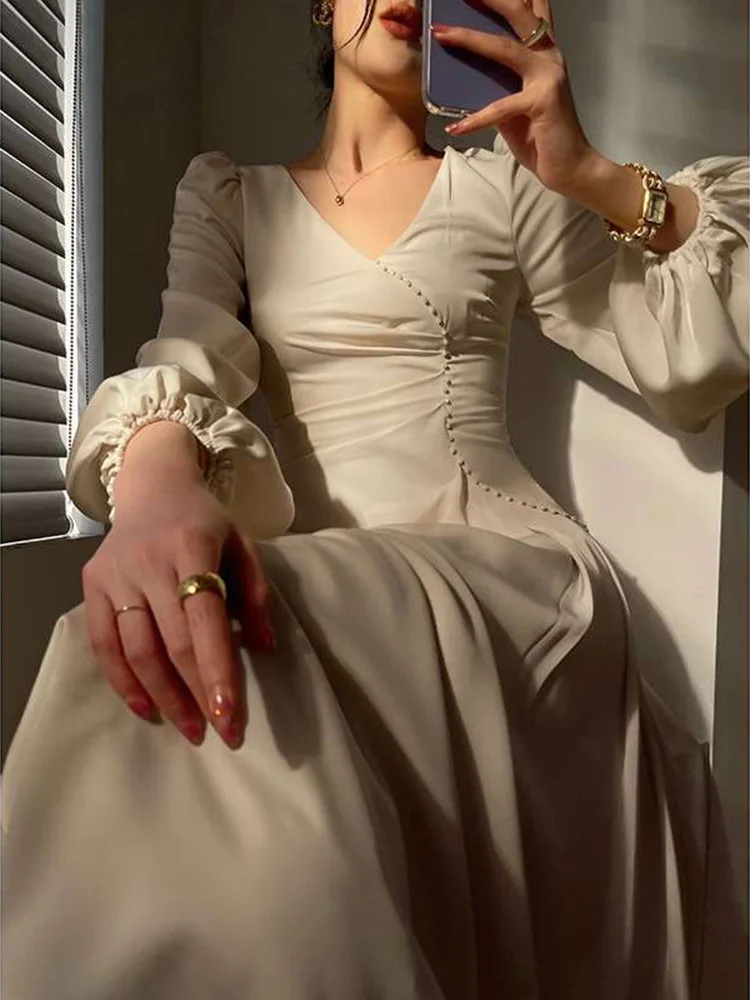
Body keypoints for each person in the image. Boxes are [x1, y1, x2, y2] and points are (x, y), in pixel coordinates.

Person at [2, 0, 748, 997]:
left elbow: (690, 346)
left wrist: (585, 172)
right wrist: (149, 492)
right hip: (341, 595)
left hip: (513, 578)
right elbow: (188, 355)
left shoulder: (503, 184)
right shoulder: (231, 196)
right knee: (132, 635)